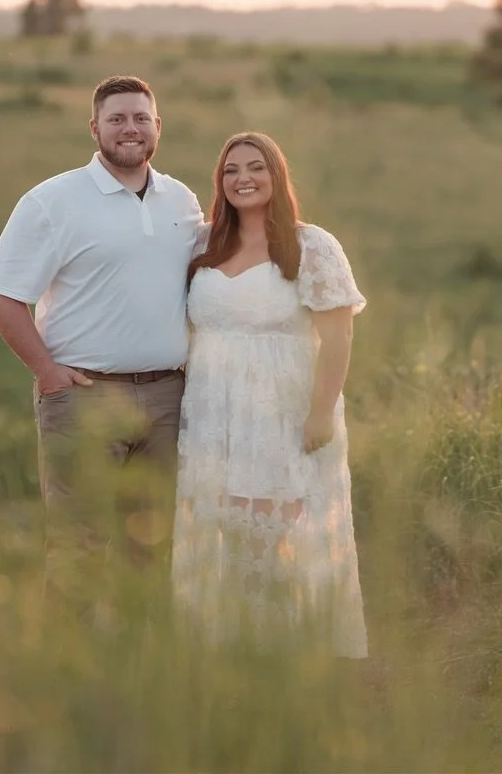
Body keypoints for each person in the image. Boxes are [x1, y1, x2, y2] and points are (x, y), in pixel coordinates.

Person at [0, 75, 203, 611]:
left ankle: (135, 671)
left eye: (141, 118)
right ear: (95, 127)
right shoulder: (52, 200)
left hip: (168, 399)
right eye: (117, 119)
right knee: (79, 544)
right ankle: (67, 676)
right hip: (84, 396)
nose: (130, 129)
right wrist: (48, 371)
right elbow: (0, 292)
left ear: (157, 127)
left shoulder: (180, 198)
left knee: (150, 543)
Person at [172, 131, 368, 658]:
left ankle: (280, 652)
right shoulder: (202, 244)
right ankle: (234, 651)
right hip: (213, 411)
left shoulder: (311, 246)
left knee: (267, 537)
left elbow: (338, 335)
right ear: (220, 182)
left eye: (255, 167)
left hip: (282, 413)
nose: (243, 178)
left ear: (276, 175)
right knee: (226, 539)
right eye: (231, 170)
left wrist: (321, 412)